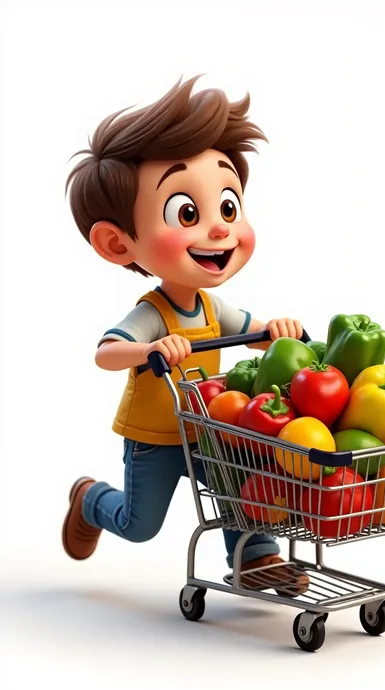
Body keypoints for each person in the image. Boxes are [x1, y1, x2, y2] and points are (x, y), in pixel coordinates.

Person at [62, 75, 309, 594]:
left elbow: (256, 335)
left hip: (208, 430)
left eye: (228, 206)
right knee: (139, 525)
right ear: (116, 242)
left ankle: (256, 556)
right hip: (155, 439)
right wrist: (149, 349)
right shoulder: (153, 311)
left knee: (240, 485)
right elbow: (106, 353)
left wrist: (275, 331)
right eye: (188, 213)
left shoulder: (213, 307)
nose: (219, 230)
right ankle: (89, 498)